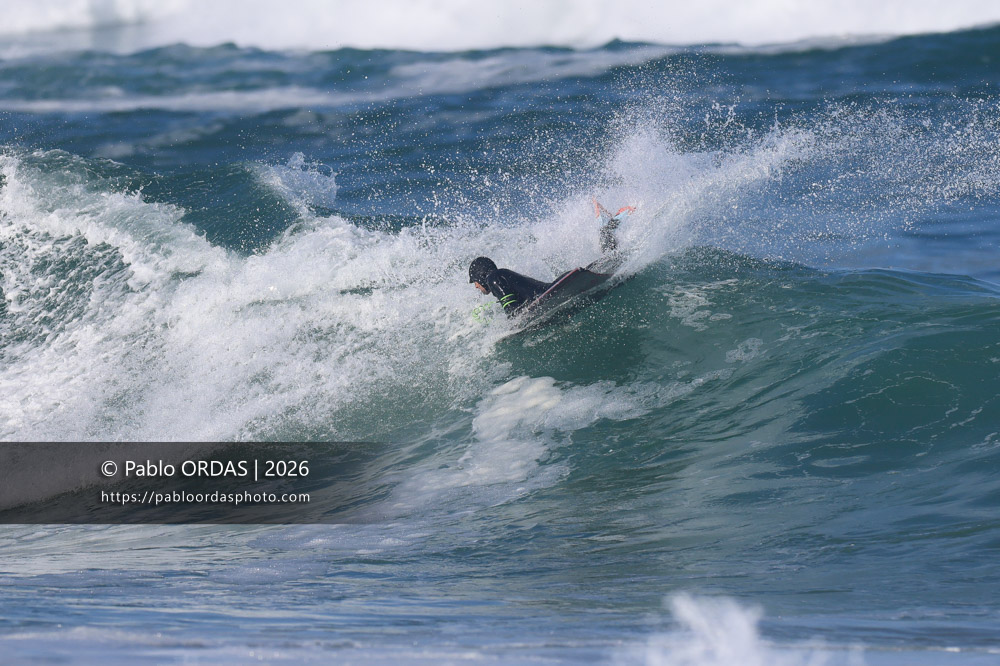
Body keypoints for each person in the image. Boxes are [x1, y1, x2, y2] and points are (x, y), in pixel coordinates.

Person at [469, 202, 633, 316]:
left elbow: (514, 312)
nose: (476, 286)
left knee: (612, 259)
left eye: (474, 281)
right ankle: (608, 227)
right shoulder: (500, 276)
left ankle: (607, 227)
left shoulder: (493, 278)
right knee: (611, 259)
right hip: (557, 284)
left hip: (555, 288)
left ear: (480, 275)